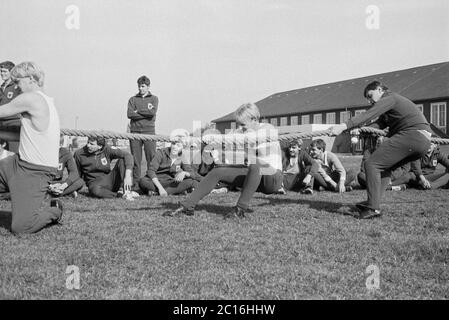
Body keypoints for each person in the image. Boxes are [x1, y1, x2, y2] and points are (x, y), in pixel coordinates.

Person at [329, 81, 432, 219]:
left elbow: (369, 114)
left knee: (372, 164)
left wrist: (343, 125)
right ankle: (373, 203)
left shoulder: (389, 98)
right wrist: (359, 130)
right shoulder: (391, 106)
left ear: (379, 89)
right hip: (423, 142)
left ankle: (373, 208)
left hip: (412, 136)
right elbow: (377, 125)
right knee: (384, 169)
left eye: (370, 95)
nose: (369, 100)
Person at [164, 102, 281, 218]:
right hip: (253, 176)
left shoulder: (267, 129)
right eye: (238, 124)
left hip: (272, 178)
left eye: (243, 124)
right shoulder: (241, 132)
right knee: (218, 171)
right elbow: (224, 141)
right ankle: (187, 206)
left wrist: (217, 138)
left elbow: (247, 139)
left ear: (254, 119)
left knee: (256, 163)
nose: (240, 128)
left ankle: (240, 210)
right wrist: (190, 140)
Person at [0, 61, 63, 234]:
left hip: (35, 171)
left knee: (21, 227)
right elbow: (20, 134)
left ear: (30, 79)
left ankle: (55, 210)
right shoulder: (44, 100)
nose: (16, 87)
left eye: (18, 82)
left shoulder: (32, 98)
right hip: (16, 164)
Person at [127, 76, 159, 190]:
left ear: (148, 86)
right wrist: (146, 113)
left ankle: (151, 185)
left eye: (143, 86)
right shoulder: (132, 99)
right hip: (134, 132)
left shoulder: (154, 98)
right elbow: (130, 114)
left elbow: (152, 113)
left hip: (149, 132)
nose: (141, 88)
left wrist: (138, 111)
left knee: (151, 159)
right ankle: (135, 185)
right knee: (136, 160)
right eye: (139, 86)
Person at [0, 61, 22, 153]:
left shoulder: (18, 87)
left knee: (14, 154)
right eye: (1, 71)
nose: (2, 74)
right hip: (1, 125)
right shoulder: (1, 88)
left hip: (14, 124)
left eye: (4, 71)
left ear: (11, 72)